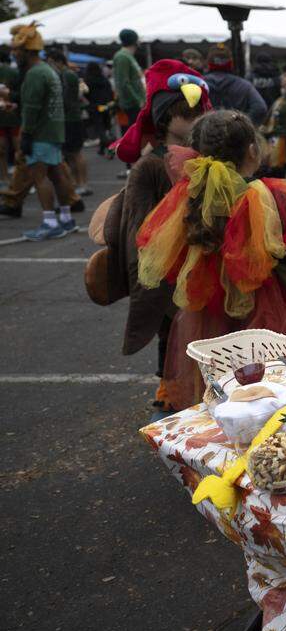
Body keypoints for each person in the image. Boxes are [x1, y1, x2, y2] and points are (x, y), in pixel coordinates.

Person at [136, 109, 286, 411]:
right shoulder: (269, 196)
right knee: (279, 378)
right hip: (273, 304)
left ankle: (229, 430)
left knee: (223, 381)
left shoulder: (192, 195)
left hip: (212, 311)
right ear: (253, 151)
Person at [96, 59, 212, 400]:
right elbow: (138, 224)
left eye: (197, 113)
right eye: (185, 114)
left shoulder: (207, 159)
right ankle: (169, 390)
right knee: (170, 328)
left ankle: (207, 392)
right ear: (164, 118)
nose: (193, 122)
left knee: (208, 330)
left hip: (204, 257)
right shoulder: (148, 167)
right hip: (165, 264)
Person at [0, 24, 77, 239]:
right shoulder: (49, 71)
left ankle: (50, 223)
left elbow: (32, 109)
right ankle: (65, 219)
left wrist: (25, 135)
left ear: (27, 51)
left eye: (17, 50)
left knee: (39, 176)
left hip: (40, 134)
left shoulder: (35, 73)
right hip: (54, 131)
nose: (14, 54)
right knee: (57, 175)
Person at [46, 50, 90, 197]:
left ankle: (83, 184)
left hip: (72, 119)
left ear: (58, 61)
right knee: (71, 154)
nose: (50, 65)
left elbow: (67, 99)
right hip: (70, 118)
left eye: (51, 62)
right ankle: (79, 183)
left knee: (75, 153)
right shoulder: (65, 75)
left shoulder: (67, 75)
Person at [202, 43, 268, 125]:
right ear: (230, 63)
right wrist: (242, 126)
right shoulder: (244, 85)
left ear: (208, 63)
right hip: (235, 135)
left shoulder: (199, 84)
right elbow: (260, 108)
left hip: (205, 134)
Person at [112, 29, 146, 130]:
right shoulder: (122, 57)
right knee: (133, 133)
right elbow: (124, 82)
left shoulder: (128, 56)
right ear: (134, 40)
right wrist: (138, 100)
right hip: (132, 104)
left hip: (137, 102)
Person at [83, 62, 115, 155]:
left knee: (99, 127)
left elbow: (85, 94)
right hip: (105, 106)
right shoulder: (104, 80)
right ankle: (102, 149)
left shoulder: (87, 81)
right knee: (106, 127)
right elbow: (110, 92)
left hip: (95, 107)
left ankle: (109, 144)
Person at [0, 46, 20, 186]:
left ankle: (17, 179)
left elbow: (19, 94)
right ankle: (5, 178)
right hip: (5, 118)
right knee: (3, 149)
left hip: (12, 116)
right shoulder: (13, 72)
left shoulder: (12, 72)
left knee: (17, 149)